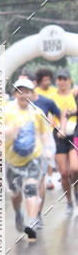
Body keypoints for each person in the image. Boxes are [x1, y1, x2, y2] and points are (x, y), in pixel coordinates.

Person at [4, 77, 50, 240]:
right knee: (16, 194)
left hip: (33, 158)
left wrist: (47, 151)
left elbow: (44, 134)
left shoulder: (37, 113)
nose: (24, 95)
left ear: (32, 94)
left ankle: (31, 223)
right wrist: (9, 132)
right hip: (12, 160)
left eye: (27, 92)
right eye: (20, 91)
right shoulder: (6, 111)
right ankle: (18, 213)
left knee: (31, 188)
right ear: (15, 93)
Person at [17, 72, 60, 227]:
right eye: (18, 86)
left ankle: (36, 215)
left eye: (24, 85)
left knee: (38, 180)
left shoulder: (44, 104)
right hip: (18, 152)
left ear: (33, 84)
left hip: (39, 150)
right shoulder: (9, 107)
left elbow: (55, 119)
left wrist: (49, 147)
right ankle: (27, 211)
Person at [49, 69, 77, 214]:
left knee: (75, 169)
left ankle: (76, 192)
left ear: (69, 81)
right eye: (59, 79)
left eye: (64, 79)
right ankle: (69, 201)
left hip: (74, 134)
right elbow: (48, 116)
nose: (62, 82)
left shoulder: (75, 94)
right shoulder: (52, 97)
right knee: (64, 174)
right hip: (58, 136)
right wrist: (56, 126)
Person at [35, 67, 57, 189]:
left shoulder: (54, 91)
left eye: (49, 79)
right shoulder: (34, 92)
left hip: (50, 128)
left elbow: (55, 109)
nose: (47, 82)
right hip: (37, 129)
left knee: (49, 154)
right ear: (39, 81)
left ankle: (49, 179)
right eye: (45, 80)